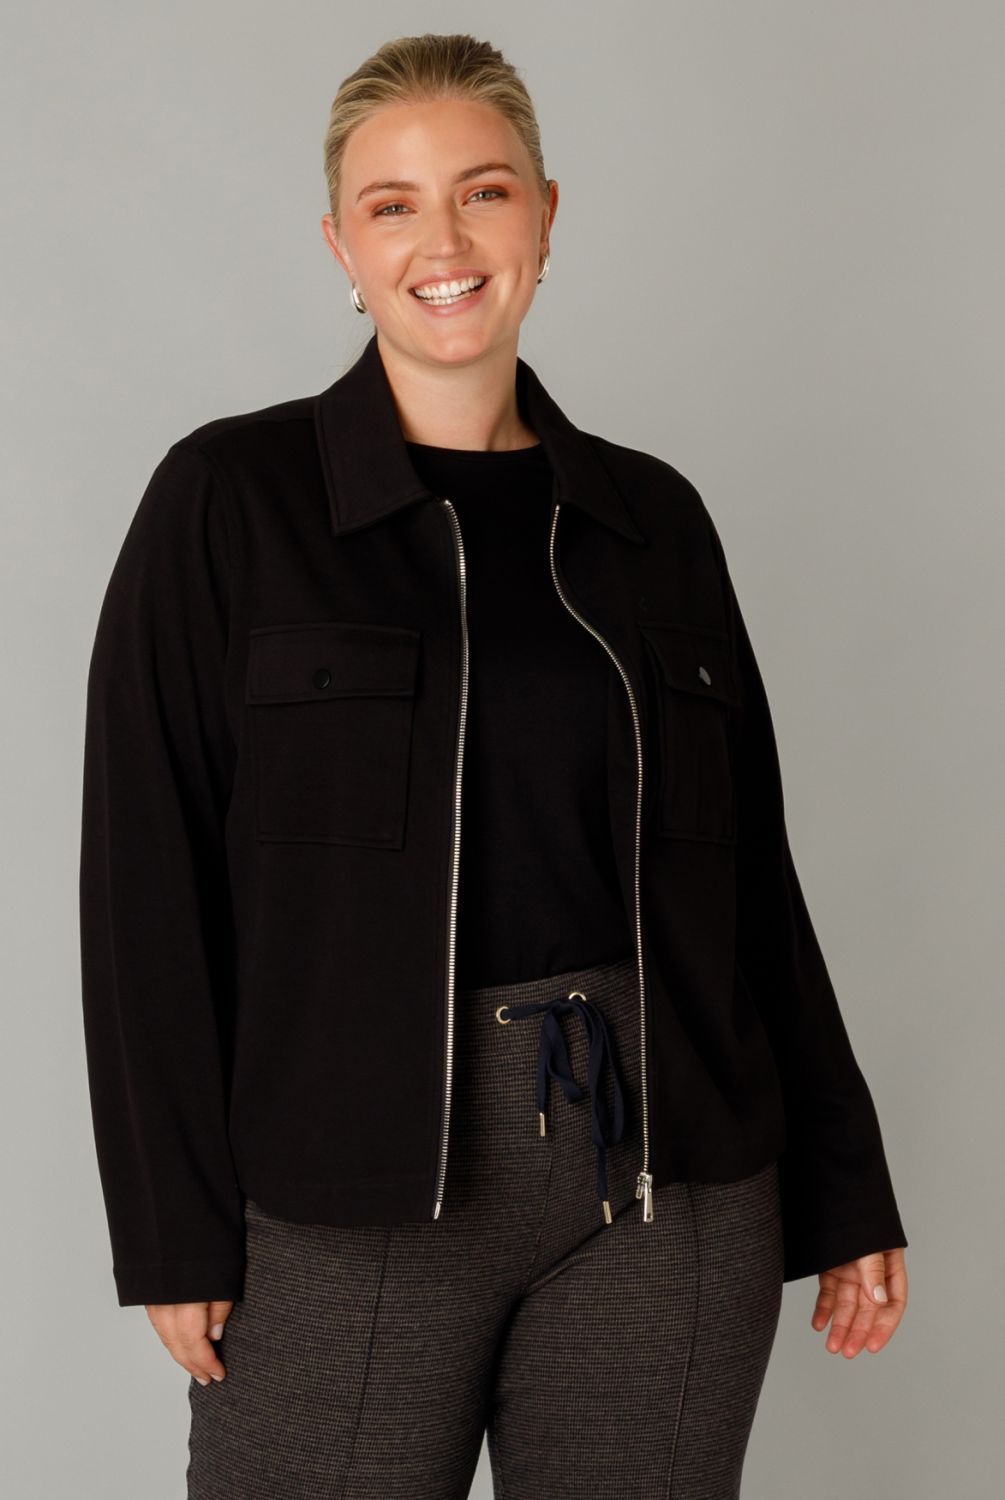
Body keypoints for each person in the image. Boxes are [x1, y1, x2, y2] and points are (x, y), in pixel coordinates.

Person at [78, 31, 909, 1499]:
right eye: (392, 204)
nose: (444, 242)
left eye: (484, 191)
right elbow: (145, 881)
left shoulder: (654, 521)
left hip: (663, 1175)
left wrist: (847, 1188)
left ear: (545, 215)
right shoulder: (230, 501)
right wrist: (171, 1223)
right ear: (342, 245)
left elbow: (751, 883)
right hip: (351, 1179)